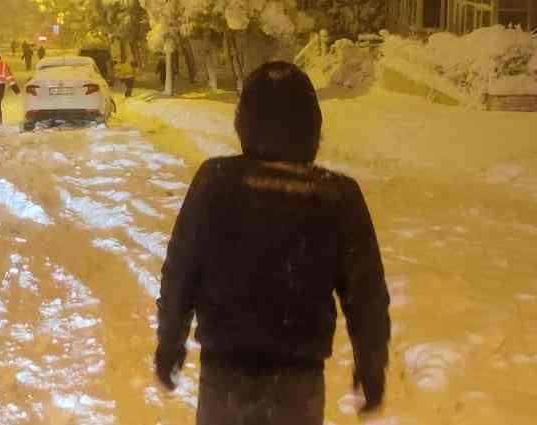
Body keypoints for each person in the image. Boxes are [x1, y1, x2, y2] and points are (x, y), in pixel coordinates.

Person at [155, 61, 389, 424]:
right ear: (312, 128)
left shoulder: (215, 182)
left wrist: (170, 340)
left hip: (224, 376)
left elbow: (181, 270)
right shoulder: (336, 195)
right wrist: (371, 363)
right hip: (298, 380)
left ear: (244, 123)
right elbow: (366, 293)